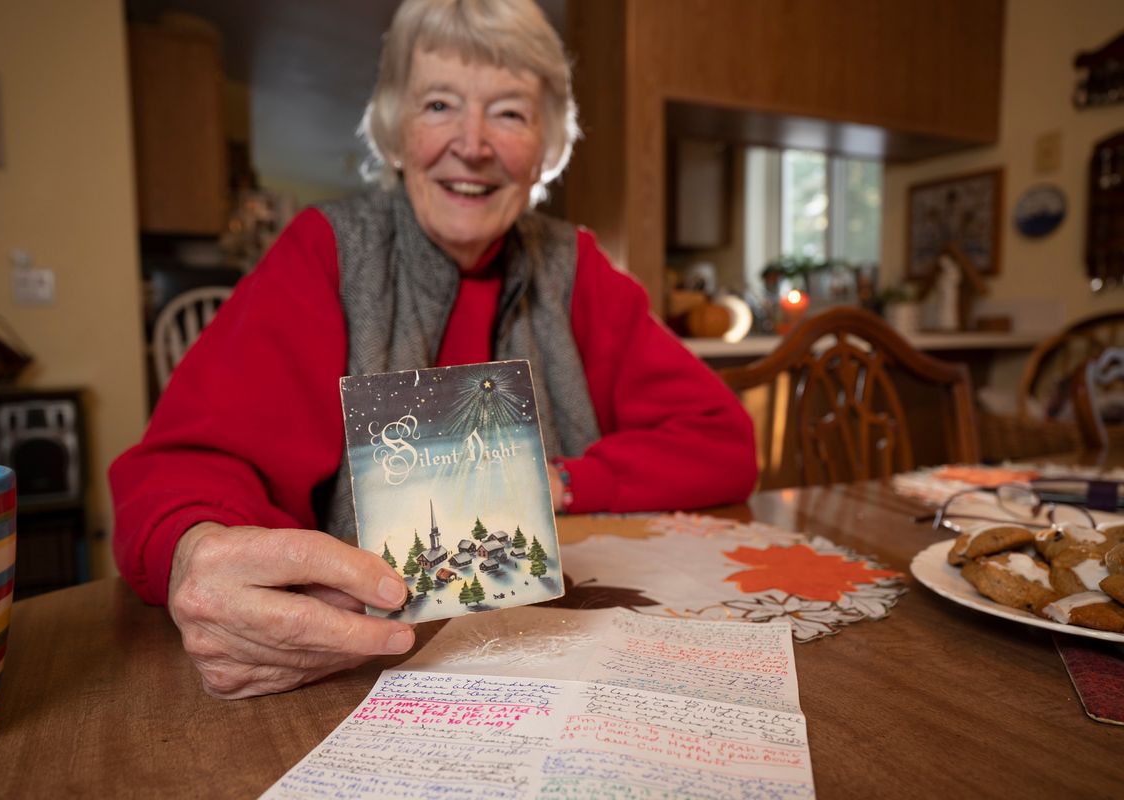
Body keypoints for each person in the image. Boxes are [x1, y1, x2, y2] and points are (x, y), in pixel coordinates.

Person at [110, 0, 757, 700]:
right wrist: (197, 554)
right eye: (440, 104)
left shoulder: (577, 270)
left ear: (545, 145)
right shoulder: (327, 251)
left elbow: (722, 442)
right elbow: (183, 471)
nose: (473, 144)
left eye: (509, 113)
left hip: (563, 669)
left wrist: (561, 482)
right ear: (394, 131)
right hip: (358, 676)